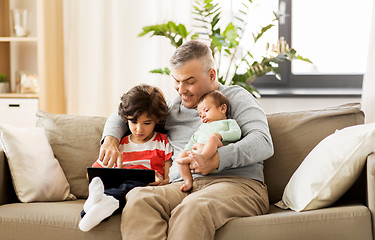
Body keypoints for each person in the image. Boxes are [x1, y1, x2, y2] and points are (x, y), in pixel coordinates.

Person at [100, 40, 274, 239]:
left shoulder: (235, 97)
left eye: (190, 82)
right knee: (139, 198)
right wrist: (111, 139)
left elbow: (263, 142)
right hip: (183, 186)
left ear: (211, 75)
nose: (181, 89)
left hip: (237, 184)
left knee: (194, 207)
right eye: (176, 80)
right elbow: (125, 112)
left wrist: (218, 159)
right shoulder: (173, 108)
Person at [79, 84, 172, 232]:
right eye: (133, 122)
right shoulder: (119, 146)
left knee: (131, 188)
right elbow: (92, 174)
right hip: (118, 186)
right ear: (125, 119)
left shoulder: (163, 142)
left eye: (147, 123)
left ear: (157, 120)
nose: (139, 129)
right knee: (119, 187)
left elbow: (169, 179)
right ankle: (94, 205)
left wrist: (161, 182)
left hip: (146, 189)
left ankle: (98, 206)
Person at [177, 90, 241, 192]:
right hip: (198, 154)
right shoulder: (202, 128)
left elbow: (237, 133)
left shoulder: (228, 122)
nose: (202, 116)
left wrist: (219, 135)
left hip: (217, 151)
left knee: (212, 138)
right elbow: (192, 142)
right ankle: (188, 181)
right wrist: (187, 152)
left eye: (206, 111)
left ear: (222, 109)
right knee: (181, 155)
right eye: (200, 115)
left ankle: (203, 157)